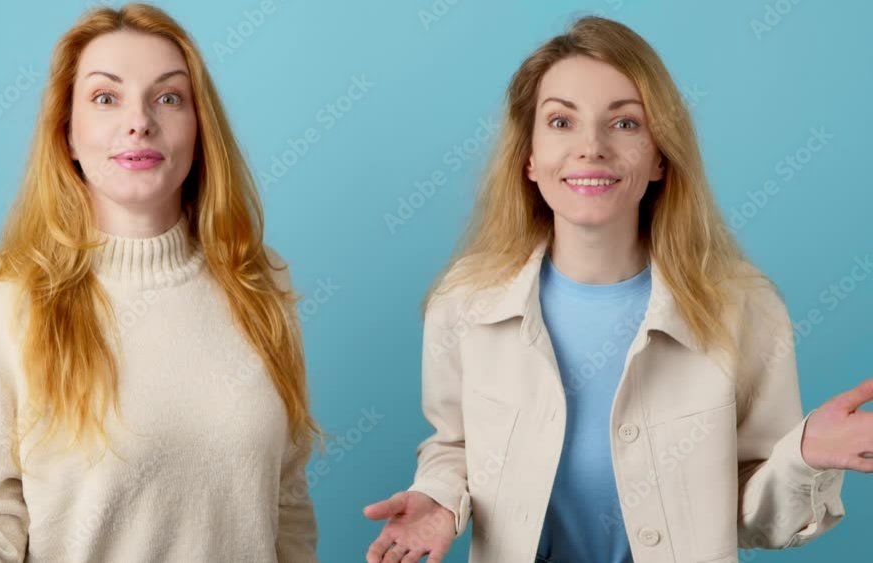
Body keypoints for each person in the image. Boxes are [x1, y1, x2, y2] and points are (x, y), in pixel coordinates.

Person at [364, 16, 871, 563]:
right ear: (528, 157)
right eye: (561, 121)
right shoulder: (465, 300)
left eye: (625, 123)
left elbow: (760, 522)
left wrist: (803, 458)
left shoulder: (744, 306)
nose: (592, 147)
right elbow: (456, 445)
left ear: (660, 157)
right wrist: (439, 497)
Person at [0, 4, 318, 562]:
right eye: (106, 98)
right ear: (66, 133)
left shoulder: (259, 283)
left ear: (200, 128)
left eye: (168, 97)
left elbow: (285, 505)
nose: (139, 122)